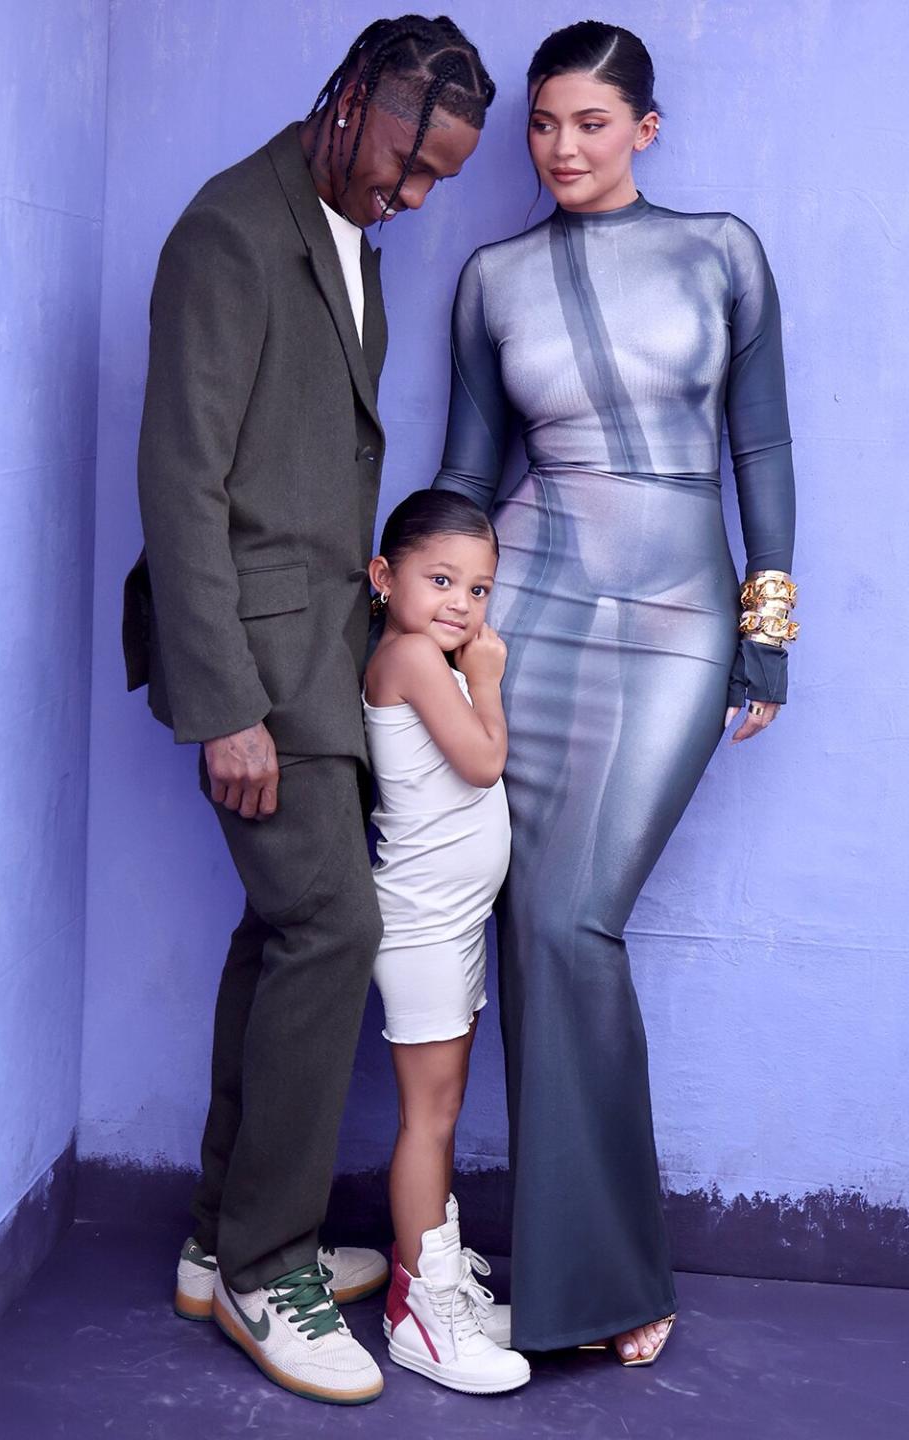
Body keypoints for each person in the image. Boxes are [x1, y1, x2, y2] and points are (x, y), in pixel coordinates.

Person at [121, 16, 495, 1406]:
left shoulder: (351, 236)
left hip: (321, 657)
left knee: (285, 930)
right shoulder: (230, 232)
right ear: (350, 100)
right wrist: (224, 708)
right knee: (334, 921)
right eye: (409, 162)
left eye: (436, 184)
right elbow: (184, 485)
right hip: (251, 669)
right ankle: (269, 1266)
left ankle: (223, 1240)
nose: (411, 197)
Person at [433, 20, 799, 1364]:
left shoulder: (722, 254)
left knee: (576, 916)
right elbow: (469, 479)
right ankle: (577, 1275)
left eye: (592, 123)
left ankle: (604, 1271)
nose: (563, 148)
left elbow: (759, 442)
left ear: (647, 127)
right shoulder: (491, 277)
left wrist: (771, 627)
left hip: (677, 618)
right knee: (530, 921)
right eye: (544, 125)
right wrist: (420, 625)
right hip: (527, 611)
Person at [363, 490, 530, 1395]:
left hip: (451, 922)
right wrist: (491, 679)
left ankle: (430, 1279)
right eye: (439, 580)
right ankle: (424, 1316)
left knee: (443, 1109)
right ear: (384, 578)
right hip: (423, 925)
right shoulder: (414, 656)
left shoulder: (431, 652)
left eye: (478, 588)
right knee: (427, 1118)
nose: (462, 605)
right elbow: (482, 763)